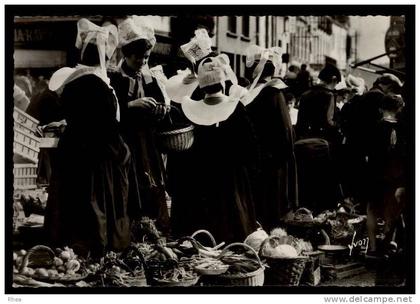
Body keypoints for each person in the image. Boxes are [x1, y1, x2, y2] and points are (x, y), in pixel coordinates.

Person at [44, 19, 137, 257]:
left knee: (72, 205)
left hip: (74, 151)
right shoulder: (97, 86)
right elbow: (105, 127)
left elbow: (76, 118)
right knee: (93, 206)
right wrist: (123, 152)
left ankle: (70, 248)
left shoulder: (73, 82)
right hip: (96, 156)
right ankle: (94, 250)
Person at [170, 55, 258, 242]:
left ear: (201, 86)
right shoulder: (236, 109)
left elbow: (179, 154)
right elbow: (251, 152)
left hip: (196, 188)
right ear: (223, 83)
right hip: (230, 186)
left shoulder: (188, 110)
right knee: (230, 240)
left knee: (198, 241)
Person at [109, 16, 171, 234]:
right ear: (126, 55)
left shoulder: (150, 78)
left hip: (149, 143)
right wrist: (131, 105)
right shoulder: (115, 79)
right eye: (138, 59)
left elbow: (162, 105)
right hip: (127, 143)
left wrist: (161, 110)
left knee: (152, 183)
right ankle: (133, 230)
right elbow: (112, 115)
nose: (142, 62)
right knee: (131, 185)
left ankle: (153, 229)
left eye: (146, 58)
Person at [241, 45, 298, 230]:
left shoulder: (261, 92)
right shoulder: (274, 93)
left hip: (260, 161)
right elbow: (286, 133)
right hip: (271, 161)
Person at [366, 94, 406, 254]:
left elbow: (368, 153)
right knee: (392, 209)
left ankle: (373, 247)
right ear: (399, 109)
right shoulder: (403, 128)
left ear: (381, 108)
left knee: (372, 210)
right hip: (395, 175)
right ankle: (388, 243)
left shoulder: (375, 126)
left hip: (375, 173)